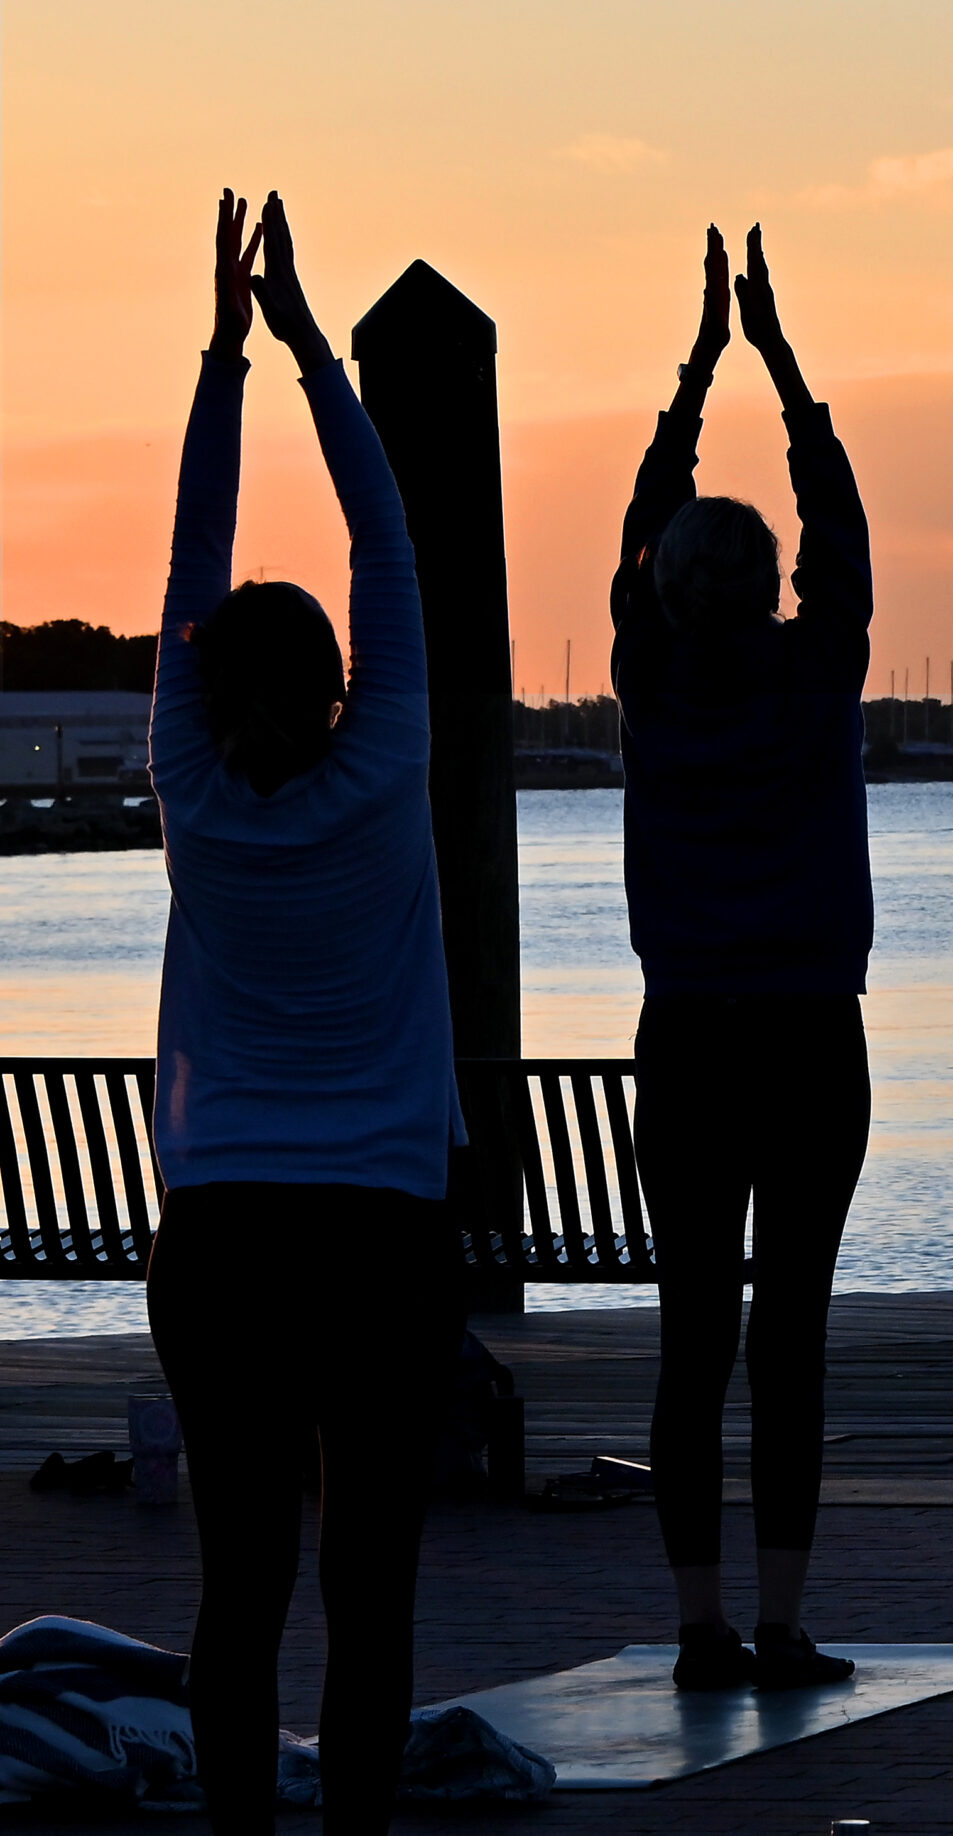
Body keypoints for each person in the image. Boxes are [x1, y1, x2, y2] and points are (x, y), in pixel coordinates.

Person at [146, 190, 466, 1836]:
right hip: (382, 1234)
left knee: (241, 1586)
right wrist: (304, 348)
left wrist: (220, 357)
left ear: (201, 685)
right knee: (371, 1588)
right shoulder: (391, 763)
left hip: (224, 1233)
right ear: (342, 680)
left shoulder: (191, 792)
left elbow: (193, 556)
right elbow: (389, 538)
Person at [611, 224, 874, 1691]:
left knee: (691, 1334)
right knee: (795, 1330)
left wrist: (697, 362)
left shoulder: (648, 678)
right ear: (770, 586)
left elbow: (640, 530)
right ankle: (781, 1620)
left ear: (661, 591)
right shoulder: (816, 668)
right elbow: (844, 534)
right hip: (808, 1034)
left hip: (688, 1038)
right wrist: (781, 364)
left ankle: (699, 1626)